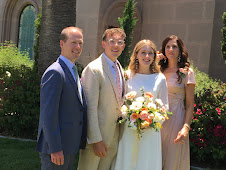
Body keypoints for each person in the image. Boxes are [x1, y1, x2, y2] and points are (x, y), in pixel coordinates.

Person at [36, 26, 87, 170]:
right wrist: (55, 148)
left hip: (69, 145)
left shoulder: (73, 70)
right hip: (57, 149)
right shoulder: (55, 72)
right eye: (73, 42)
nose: (77, 46)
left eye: (80, 43)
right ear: (61, 44)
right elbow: (48, 114)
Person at [114, 39, 168, 170]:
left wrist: (152, 120)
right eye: (143, 52)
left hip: (150, 131)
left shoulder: (160, 78)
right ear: (136, 54)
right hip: (129, 129)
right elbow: (120, 102)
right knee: (128, 161)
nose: (147, 56)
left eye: (150, 53)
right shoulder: (127, 75)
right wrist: (129, 115)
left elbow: (164, 107)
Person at [77, 28, 126, 170]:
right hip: (96, 142)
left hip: (113, 139)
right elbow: (90, 108)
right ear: (103, 44)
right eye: (112, 41)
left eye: (120, 42)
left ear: (123, 46)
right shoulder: (93, 69)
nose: (116, 45)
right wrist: (96, 140)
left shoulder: (119, 68)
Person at [158, 35, 196, 170]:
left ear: (180, 50)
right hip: (157, 119)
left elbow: (190, 104)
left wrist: (186, 127)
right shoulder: (157, 70)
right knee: (155, 158)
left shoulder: (187, 72)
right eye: (167, 46)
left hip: (176, 118)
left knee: (172, 159)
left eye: (174, 46)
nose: (170, 49)